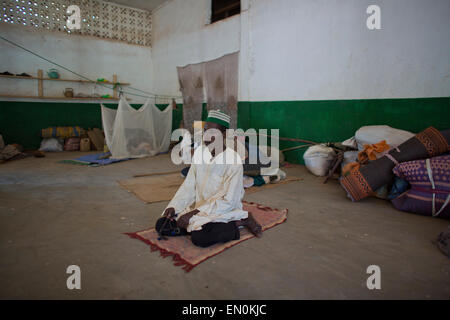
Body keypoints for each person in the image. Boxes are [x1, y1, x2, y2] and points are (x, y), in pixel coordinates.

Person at [155, 110, 262, 247]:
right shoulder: (200, 153)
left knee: (200, 238)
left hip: (222, 209)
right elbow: (189, 185)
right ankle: (195, 226)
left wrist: (193, 214)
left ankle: (239, 221)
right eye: (205, 130)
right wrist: (174, 206)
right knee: (162, 224)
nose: (206, 136)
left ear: (223, 134)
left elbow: (229, 200)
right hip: (199, 207)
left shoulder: (233, 161)